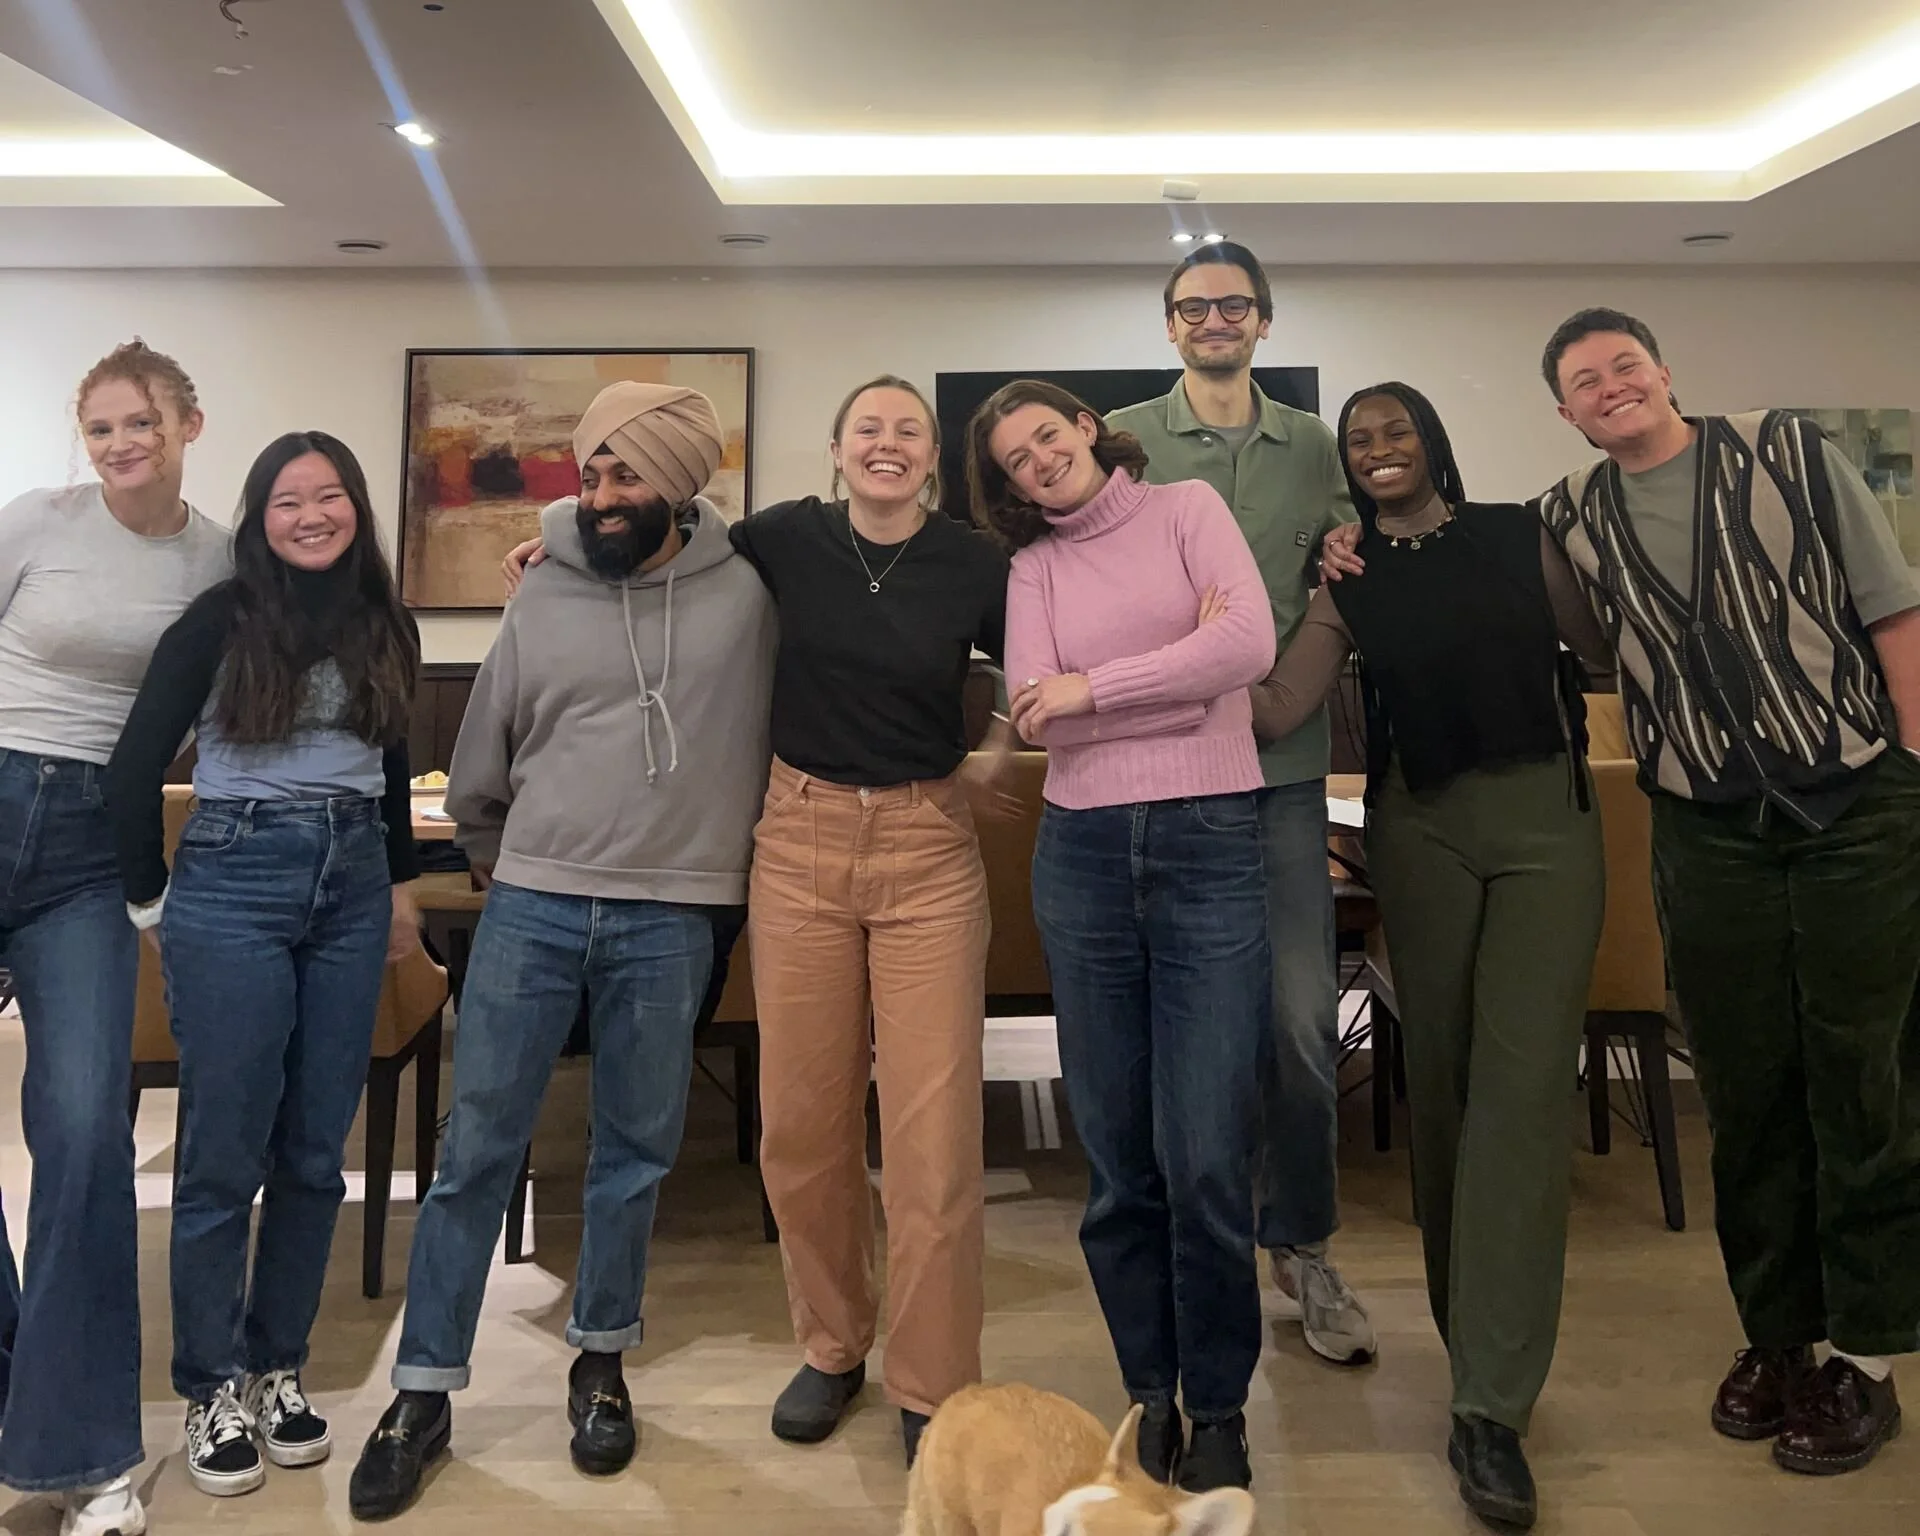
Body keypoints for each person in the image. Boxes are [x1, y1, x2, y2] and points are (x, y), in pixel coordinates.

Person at [503, 375, 1015, 1468]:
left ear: (933, 455)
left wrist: (997, 755)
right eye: (867, 429)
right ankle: (833, 1346)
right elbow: (653, 521)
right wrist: (548, 544)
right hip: (797, 843)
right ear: (836, 452)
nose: (887, 445)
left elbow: (1054, 645)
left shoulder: (976, 560)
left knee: (933, 1143)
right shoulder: (781, 540)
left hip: (927, 853)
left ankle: (932, 1382)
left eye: (907, 431)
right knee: (801, 1125)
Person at [347, 382, 778, 1520]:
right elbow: (483, 747)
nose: (601, 497)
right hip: (533, 903)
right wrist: (507, 860)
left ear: (679, 483)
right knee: (475, 1152)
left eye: (626, 476)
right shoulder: (540, 598)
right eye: (590, 476)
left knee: (635, 1153)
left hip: (673, 914)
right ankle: (422, 1393)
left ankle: (601, 1363)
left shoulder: (749, 599)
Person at [1532, 308, 1920, 1477]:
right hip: (1706, 827)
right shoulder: (1569, 518)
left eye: (1624, 366)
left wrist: (1912, 762)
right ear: (1563, 412)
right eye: (1583, 382)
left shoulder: (1790, 453)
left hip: (1860, 799)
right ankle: (1778, 1335)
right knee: (1746, 1086)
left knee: (1865, 1074)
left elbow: (1894, 609)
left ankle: (1870, 1353)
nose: (1611, 387)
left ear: (1663, 372)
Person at [1251, 383, 1611, 1530]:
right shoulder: (1349, 576)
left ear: (1433, 440)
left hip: (1546, 825)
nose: (1379, 448)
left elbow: (1603, 645)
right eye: (1360, 440)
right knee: (1448, 1094)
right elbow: (1276, 706)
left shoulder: (1517, 531)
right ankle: (1477, 1363)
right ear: (1345, 467)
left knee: (1518, 1094)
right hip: (1419, 830)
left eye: (1396, 429)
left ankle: (1494, 1406)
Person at [103, 431, 423, 1500]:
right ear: (259, 517)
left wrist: (398, 885)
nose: (312, 515)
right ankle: (210, 1386)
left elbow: (388, 777)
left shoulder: (386, 618)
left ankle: (280, 1366)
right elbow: (134, 767)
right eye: (289, 501)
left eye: (330, 496)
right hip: (235, 879)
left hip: (350, 886)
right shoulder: (219, 622)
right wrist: (154, 902)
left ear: (356, 510)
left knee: (310, 1150)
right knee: (222, 1152)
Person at [971, 378, 1277, 1494]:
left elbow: (1246, 646)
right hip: (1085, 854)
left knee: (1203, 1156)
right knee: (1117, 1163)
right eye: (1015, 460)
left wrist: (1095, 686)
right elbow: (1032, 707)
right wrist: (1169, 684)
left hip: (1209, 840)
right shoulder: (1032, 567)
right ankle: (1151, 1392)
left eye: (1047, 436)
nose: (1039, 461)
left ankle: (1224, 1405)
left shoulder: (1190, 507)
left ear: (1088, 428)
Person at [1105, 241, 1372, 1365]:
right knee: (1169, 1039)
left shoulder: (1317, 447)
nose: (1214, 319)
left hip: (1279, 778)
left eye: (1234, 305)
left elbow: (1346, 578)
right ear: (1169, 327)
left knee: (1304, 1026)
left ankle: (1300, 1239)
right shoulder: (1119, 440)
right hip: (1155, 775)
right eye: (1192, 306)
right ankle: (1178, 1250)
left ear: (1264, 322)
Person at [0, 339, 232, 1536]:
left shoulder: (221, 561)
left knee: (86, 1128)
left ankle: (80, 1452)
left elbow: (317, 630)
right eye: (99, 428)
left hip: (94, 840)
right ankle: (14, 1383)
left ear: (189, 423)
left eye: (139, 422)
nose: (119, 445)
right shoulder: (32, 521)